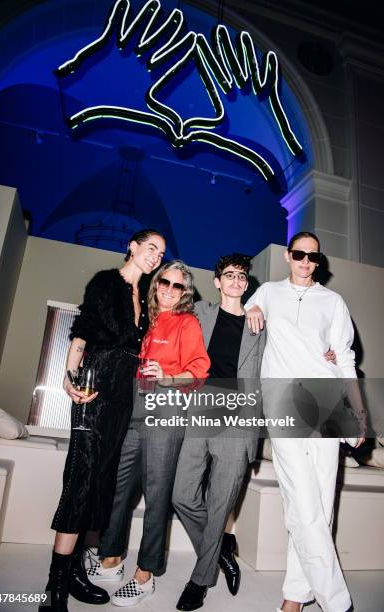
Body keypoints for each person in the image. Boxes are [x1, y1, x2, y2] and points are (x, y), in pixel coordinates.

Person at [40, 229, 166, 612]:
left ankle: (76, 569)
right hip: (94, 392)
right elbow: (81, 334)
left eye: (161, 252)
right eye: (150, 247)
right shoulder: (106, 283)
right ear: (132, 245)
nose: (155, 256)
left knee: (101, 484)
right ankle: (54, 587)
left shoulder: (144, 299)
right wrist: (69, 374)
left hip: (122, 400)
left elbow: (137, 354)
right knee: (81, 480)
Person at [244, 231, 365, 612]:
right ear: (287, 256)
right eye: (299, 255)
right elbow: (246, 312)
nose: (306, 262)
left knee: (320, 501)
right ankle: (336, 601)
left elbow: (345, 360)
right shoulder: (266, 292)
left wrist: (359, 416)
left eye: (313, 257)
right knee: (301, 498)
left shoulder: (333, 301)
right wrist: (253, 309)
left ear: (319, 261)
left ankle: (295, 594)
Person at [87, 260, 210, 607]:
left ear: (186, 293)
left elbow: (199, 371)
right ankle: (110, 558)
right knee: (119, 487)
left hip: (166, 407)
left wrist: (168, 376)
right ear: (156, 284)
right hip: (133, 407)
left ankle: (145, 575)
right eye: (165, 282)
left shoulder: (187, 322)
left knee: (157, 495)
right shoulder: (146, 318)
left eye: (178, 286)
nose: (170, 289)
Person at [172, 254, 266, 611]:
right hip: (201, 408)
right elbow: (167, 319)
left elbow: (288, 353)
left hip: (239, 416)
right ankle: (219, 547)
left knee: (220, 501)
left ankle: (199, 579)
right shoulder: (200, 312)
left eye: (242, 276)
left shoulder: (261, 324)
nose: (237, 281)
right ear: (217, 281)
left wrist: (329, 356)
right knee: (182, 494)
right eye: (230, 275)